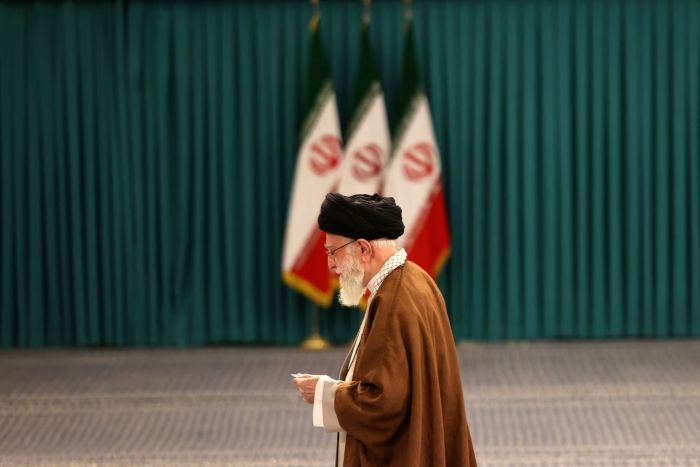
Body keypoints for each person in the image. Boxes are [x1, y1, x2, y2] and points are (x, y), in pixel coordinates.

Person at [292, 192, 477, 467]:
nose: (330, 264)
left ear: (363, 249)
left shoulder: (394, 298)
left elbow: (383, 403)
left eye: (332, 251)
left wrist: (323, 392)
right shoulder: (415, 279)